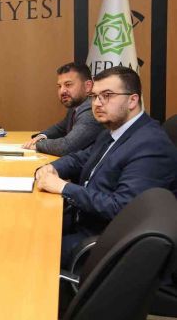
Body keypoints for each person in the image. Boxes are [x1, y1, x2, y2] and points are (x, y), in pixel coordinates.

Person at [35, 66, 177, 267]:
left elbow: (122, 209)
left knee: (29, 248)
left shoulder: (151, 145)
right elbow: (80, 159)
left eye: (107, 95)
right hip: (83, 218)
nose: (97, 103)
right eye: (94, 96)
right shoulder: (112, 130)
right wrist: (51, 168)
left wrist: (63, 187)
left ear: (132, 100)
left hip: (104, 242)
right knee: (24, 226)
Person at [22, 62, 103, 156]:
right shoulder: (76, 106)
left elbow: (66, 147)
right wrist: (41, 136)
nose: (62, 91)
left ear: (88, 86)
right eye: (59, 86)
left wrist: (38, 144)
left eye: (68, 85)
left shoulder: (91, 110)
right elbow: (60, 128)